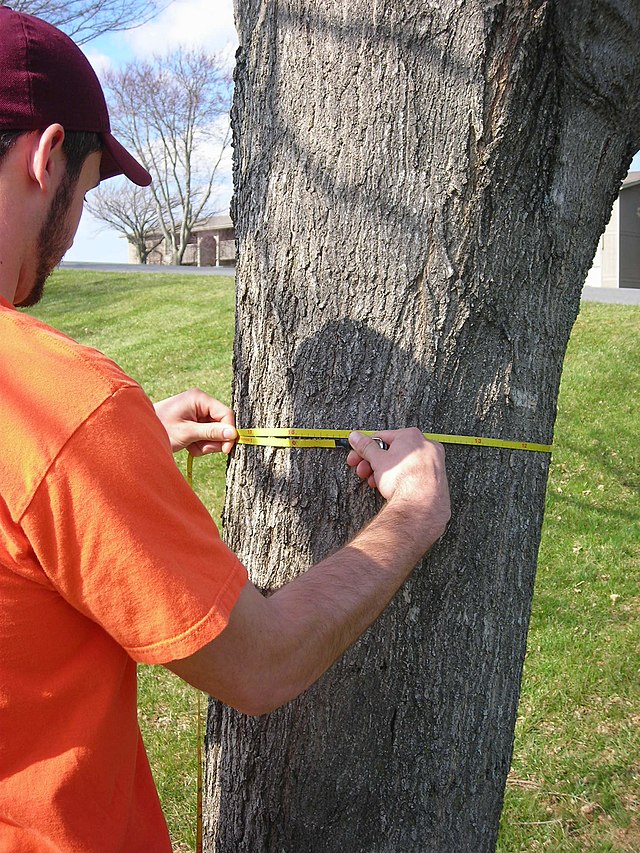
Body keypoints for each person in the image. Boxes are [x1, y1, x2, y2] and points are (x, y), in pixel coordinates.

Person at [0, 7, 451, 851]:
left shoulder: (57, 428)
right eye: (89, 192)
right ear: (46, 154)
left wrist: (115, 455)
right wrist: (411, 515)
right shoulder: (54, 406)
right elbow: (260, 660)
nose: (70, 234)